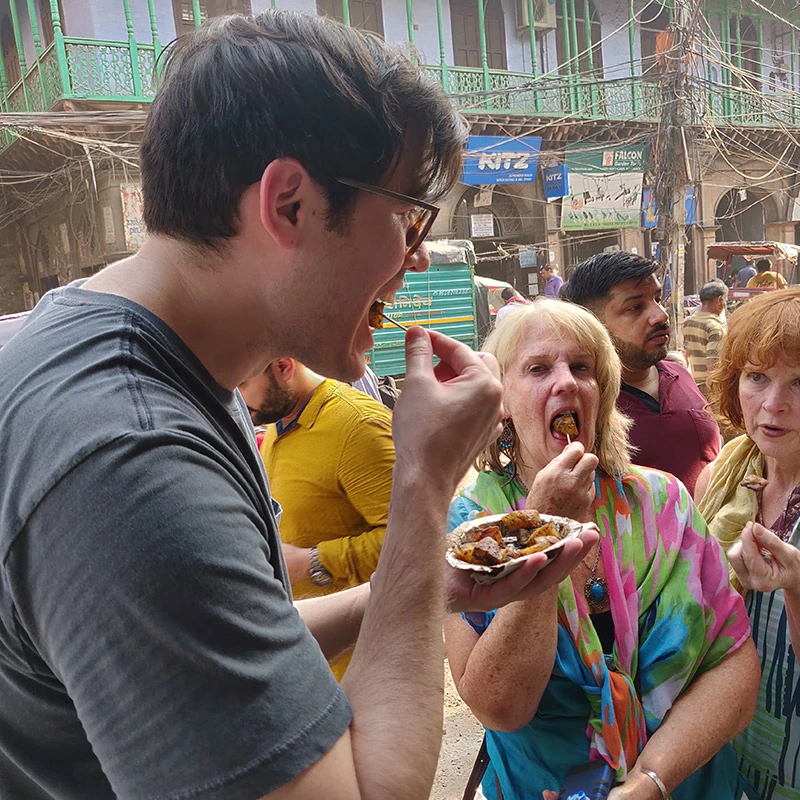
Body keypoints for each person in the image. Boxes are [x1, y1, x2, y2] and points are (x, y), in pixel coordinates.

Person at [0, 13, 597, 800]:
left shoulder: (118, 348)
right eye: (408, 218)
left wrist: (426, 587)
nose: (416, 261)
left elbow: (238, 651)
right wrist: (422, 487)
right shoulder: (127, 459)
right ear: (288, 203)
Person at [445, 300, 759, 800]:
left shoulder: (662, 503)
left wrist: (650, 781)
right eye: (539, 368)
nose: (566, 382)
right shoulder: (473, 530)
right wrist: (545, 532)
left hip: (686, 784)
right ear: (503, 400)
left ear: (603, 392)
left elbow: (734, 663)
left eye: (583, 368)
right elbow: (499, 706)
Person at [695, 287, 800, 800]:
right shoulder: (721, 476)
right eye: (757, 377)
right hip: (720, 756)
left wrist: (797, 588)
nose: (773, 405)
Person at [239, 359, 394, 679]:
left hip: (365, 674)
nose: (236, 399)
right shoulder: (275, 420)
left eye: (242, 384)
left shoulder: (358, 425)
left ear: (283, 367)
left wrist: (311, 562)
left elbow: (415, 542)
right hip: (308, 660)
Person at [565, 251, 720, 494]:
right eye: (635, 307)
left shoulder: (680, 375)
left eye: (658, 299)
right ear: (591, 323)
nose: (660, 315)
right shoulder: (581, 404)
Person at [682, 279, 728, 399]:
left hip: (693, 384)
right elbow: (712, 364)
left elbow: (686, 355)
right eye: (725, 300)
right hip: (711, 387)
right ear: (719, 300)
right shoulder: (714, 327)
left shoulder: (688, 322)